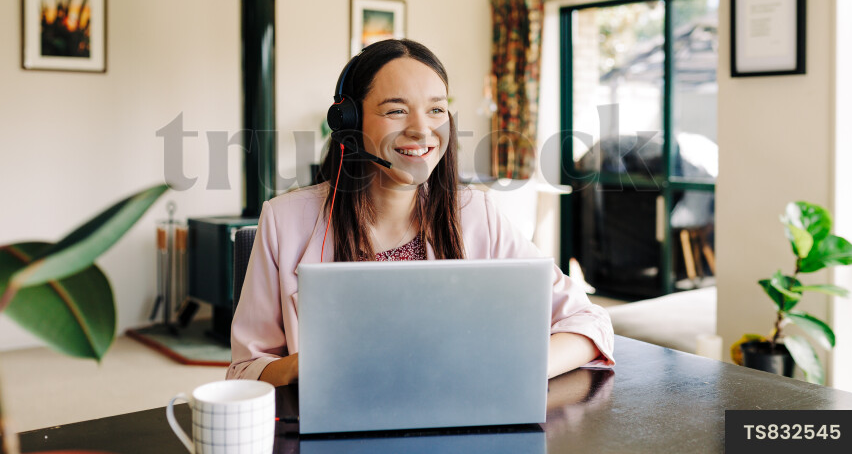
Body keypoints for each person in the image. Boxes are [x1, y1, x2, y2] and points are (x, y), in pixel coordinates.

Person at [228, 39, 614, 386]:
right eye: (396, 111)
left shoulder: (477, 214)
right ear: (348, 122)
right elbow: (245, 369)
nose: (422, 130)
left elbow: (588, 321)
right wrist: (302, 367)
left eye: (436, 110)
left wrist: (513, 367)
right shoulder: (284, 221)